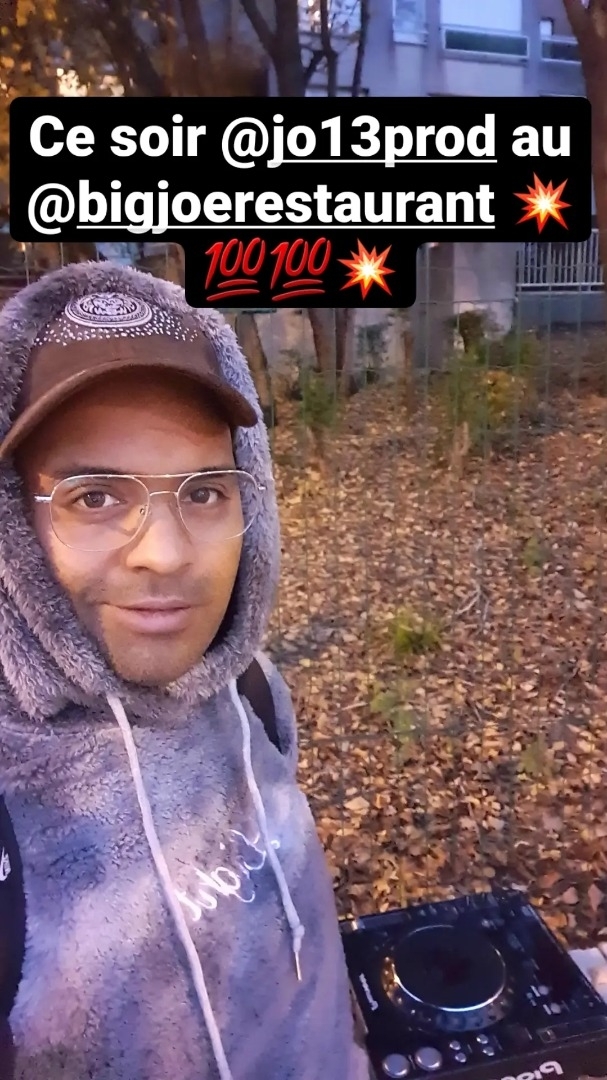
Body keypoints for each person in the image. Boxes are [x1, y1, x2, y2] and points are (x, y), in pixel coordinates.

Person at [0, 263, 369, 1080]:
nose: (165, 556)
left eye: (204, 492)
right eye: (94, 497)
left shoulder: (250, 692)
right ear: (12, 521)